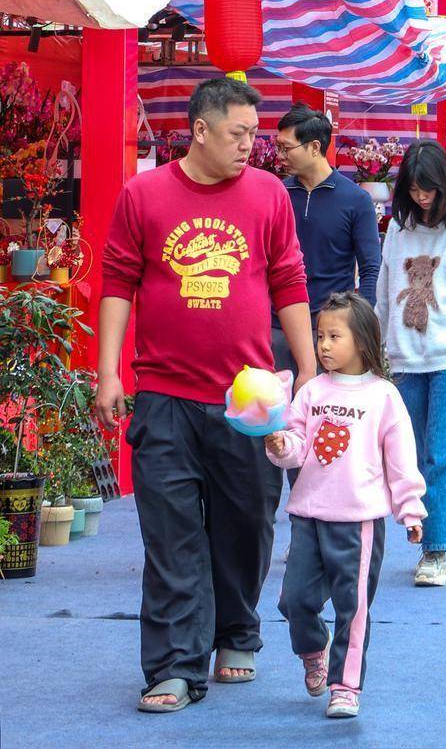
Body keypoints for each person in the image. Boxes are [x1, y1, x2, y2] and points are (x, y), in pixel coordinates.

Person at [96, 76, 315, 712]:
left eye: (254, 134)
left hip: (249, 398)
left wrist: (308, 372)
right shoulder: (145, 194)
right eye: (238, 133)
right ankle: (172, 666)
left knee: (247, 522)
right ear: (199, 130)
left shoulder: (269, 194)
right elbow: (117, 281)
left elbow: (289, 282)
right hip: (163, 392)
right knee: (170, 534)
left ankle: (236, 629)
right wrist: (109, 371)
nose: (251, 145)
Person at [267, 292, 426, 721]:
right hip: (308, 516)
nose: (322, 345)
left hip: (359, 522)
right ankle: (313, 651)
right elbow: (297, 446)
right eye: (320, 336)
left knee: (352, 609)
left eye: (334, 336)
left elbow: (401, 460)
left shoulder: (384, 397)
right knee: (293, 599)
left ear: (362, 340)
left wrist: (410, 510)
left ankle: (345, 685)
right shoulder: (311, 391)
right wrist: (281, 445)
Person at [375, 139, 446, 588]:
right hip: (404, 358)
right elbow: (385, 293)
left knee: (438, 455)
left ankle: (436, 550)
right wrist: (374, 353)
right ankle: (416, 532)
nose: (423, 199)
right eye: (415, 190)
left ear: (445, 186)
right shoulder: (398, 229)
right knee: (404, 456)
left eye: (430, 191)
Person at [272, 103, 382, 377]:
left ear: (314, 147)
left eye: (287, 148)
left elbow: (370, 268)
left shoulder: (356, 200)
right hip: (277, 325)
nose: (280, 156)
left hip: (329, 330)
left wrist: (359, 324)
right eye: (279, 147)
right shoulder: (277, 194)